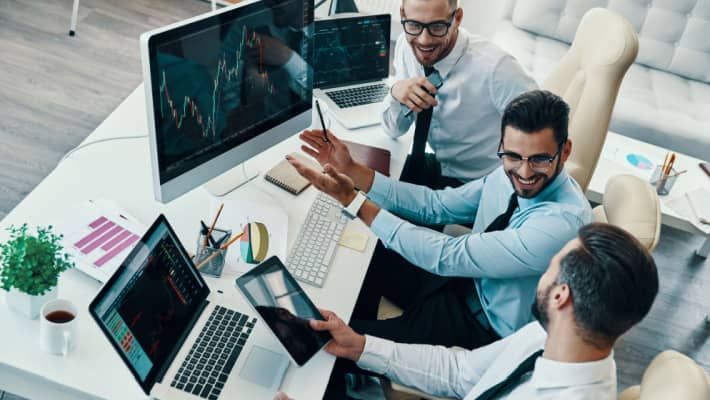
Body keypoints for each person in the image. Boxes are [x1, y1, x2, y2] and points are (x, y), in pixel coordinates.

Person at [287, 90, 592, 352]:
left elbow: (446, 256)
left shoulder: (560, 224)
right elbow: (436, 205)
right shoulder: (508, 170)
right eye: (512, 156)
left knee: (325, 338)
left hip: (480, 330)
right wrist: (353, 170)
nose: (524, 173)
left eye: (539, 159)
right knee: (362, 258)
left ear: (565, 150)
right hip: (456, 282)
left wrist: (354, 201)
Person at [294, 222, 657, 399]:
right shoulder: (553, 335)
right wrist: (360, 345)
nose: (541, 275)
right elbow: (462, 371)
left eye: (550, 266)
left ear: (561, 295)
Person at [384, 0, 537, 188]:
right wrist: (395, 92)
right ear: (402, 15)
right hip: (437, 168)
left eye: (437, 26)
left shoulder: (497, 69)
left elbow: (545, 137)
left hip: (479, 185)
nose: (424, 40)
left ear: (457, 19)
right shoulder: (406, 46)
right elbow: (393, 130)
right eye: (414, 25)